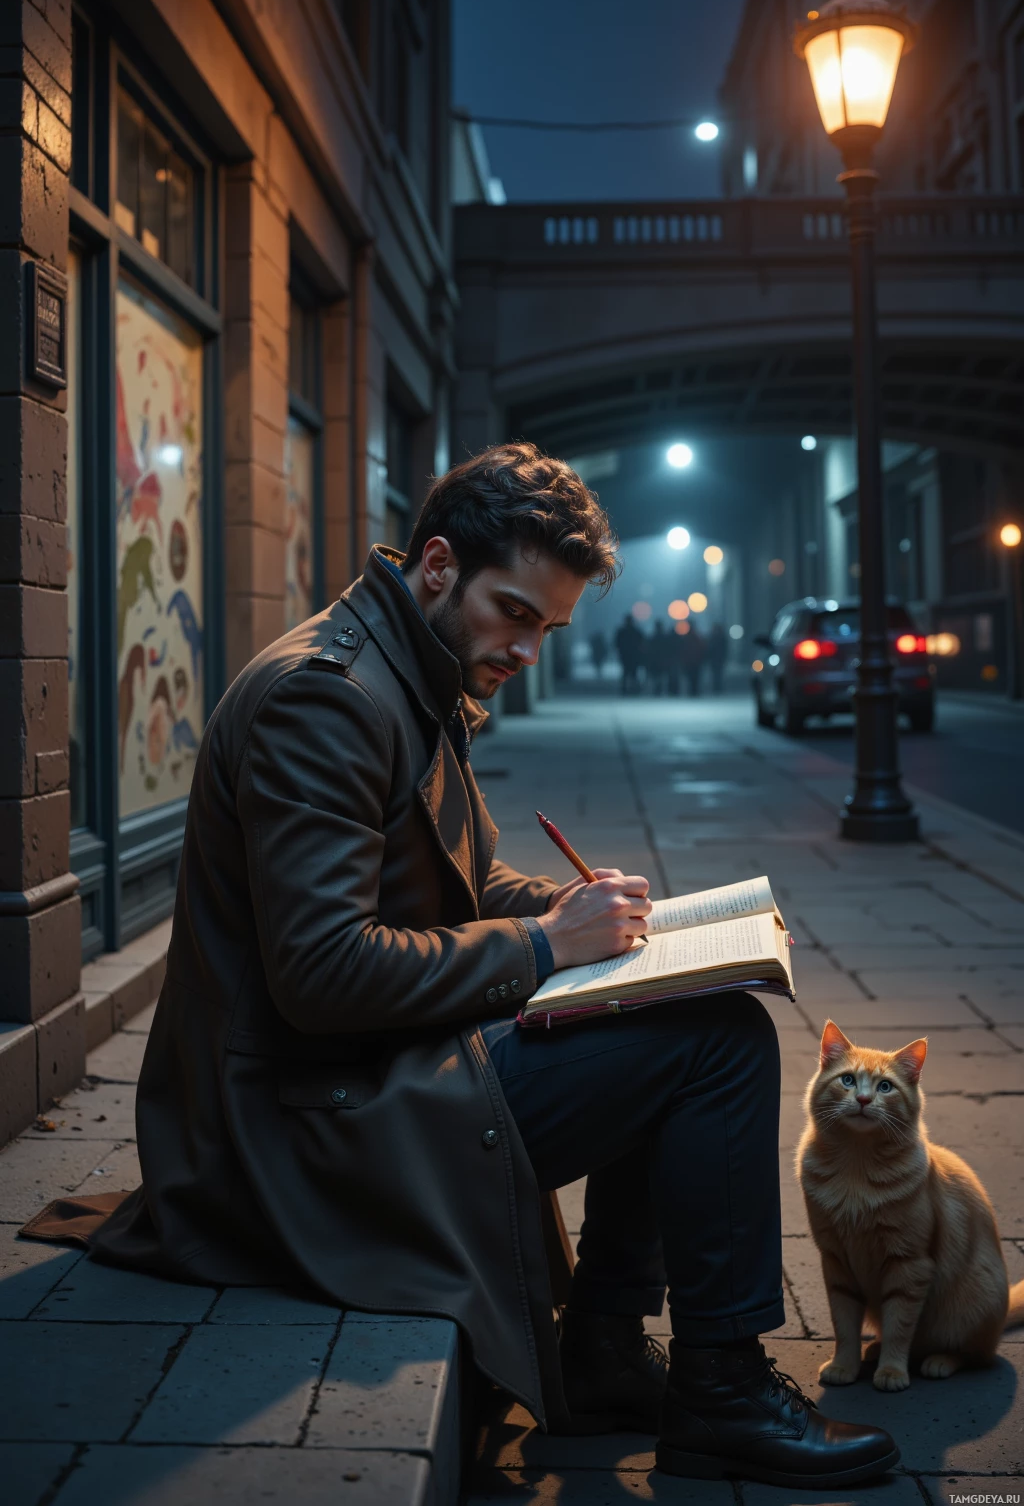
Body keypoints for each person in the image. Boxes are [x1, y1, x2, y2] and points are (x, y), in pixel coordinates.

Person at [81, 443, 896, 1488]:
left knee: (691, 1004)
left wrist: (558, 908)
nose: (527, 649)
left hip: (362, 1076)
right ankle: (719, 1392)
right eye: (514, 614)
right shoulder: (325, 702)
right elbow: (324, 973)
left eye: (546, 630)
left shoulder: (402, 668)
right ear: (435, 566)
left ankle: (603, 1349)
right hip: (298, 1123)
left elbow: (438, 877)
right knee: (715, 1044)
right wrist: (549, 945)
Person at [614, 614, 643, 695]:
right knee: (632, 674)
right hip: (633, 656)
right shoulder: (636, 631)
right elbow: (641, 644)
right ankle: (633, 689)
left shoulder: (622, 632)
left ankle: (625, 689)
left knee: (626, 673)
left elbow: (617, 644)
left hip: (626, 656)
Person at [707, 621, 728, 694]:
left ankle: (717, 687)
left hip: (717, 659)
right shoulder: (718, 637)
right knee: (716, 674)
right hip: (716, 659)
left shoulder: (715, 638)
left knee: (717, 674)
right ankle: (716, 687)